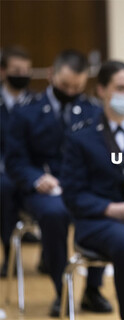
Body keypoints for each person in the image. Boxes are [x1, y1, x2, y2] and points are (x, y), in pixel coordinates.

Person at [5, 50, 111, 317]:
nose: (71, 92)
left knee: (105, 207)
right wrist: (36, 178)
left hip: (79, 186)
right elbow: (15, 160)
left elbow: (99, 157)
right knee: (54, 213)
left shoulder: (93, 111)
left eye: (77, 87)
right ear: (51, 76)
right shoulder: (25, 112)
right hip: (43, 188)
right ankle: (61, 290)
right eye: (65, 86)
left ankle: (93, 290)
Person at [61, 60, 124, 319]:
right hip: (98, 221)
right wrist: (113, 209)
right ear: (101, 90)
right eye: (120, 88)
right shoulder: (81, 138)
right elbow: (73, 195)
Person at [0, 46, 34, 277]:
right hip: (2, 171)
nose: (22, 75)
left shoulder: (36, 104)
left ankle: (49, 259)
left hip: (28, 169)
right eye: (16, 70)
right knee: (4, 188)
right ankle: (10, 255)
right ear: (3, 72)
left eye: (26, 70)